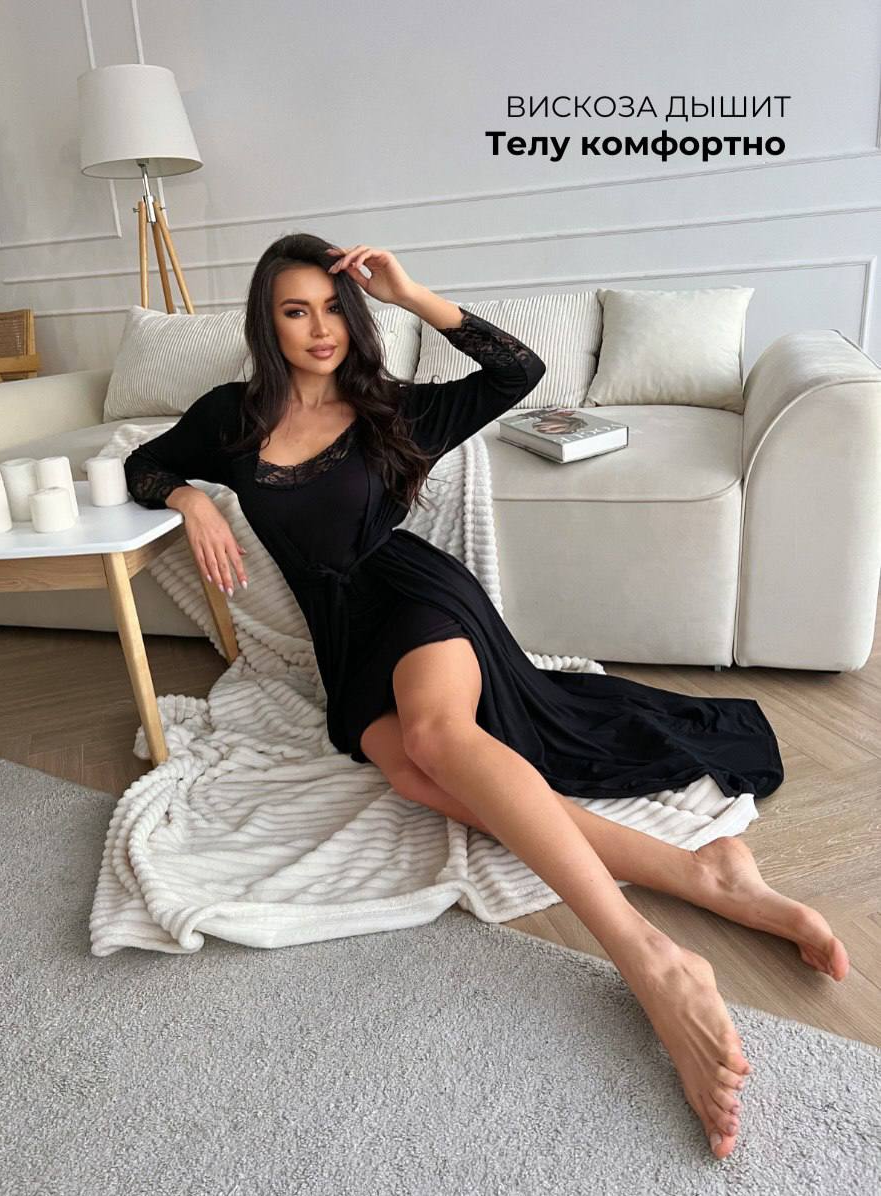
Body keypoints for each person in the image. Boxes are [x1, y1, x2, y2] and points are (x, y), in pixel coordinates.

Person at [124, 232, 849, 1160]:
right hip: (344, 641)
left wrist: (411, 294)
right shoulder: (231, 418)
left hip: (420, 600)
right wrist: (191, 500)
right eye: (295, 311)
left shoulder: (392, 408)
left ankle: (650, 957)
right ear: (268, 324)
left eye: (335, 308)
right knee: (416, 775)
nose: (320, 328)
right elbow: (145, 465)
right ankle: (700, 874)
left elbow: (520, 371)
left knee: (437, 736)